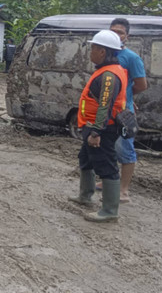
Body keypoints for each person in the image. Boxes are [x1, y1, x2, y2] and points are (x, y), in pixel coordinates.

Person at [69, 30, 128, 223]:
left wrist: (96, 132)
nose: (90, 51)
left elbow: (105, 106)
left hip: (101, 128)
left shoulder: (109, 76)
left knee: (106, 165)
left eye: (93, 47)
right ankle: (85, 196)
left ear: (102, 51)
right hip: (90, 124)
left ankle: (110, 210)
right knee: (85, 159)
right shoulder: (107, 70)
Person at [101, 18, 148, 203]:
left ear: (127, 36)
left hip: (123, 114)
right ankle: (109, 180)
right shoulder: (104, 55)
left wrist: (128, 97)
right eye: (113, 31)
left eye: (120, 32)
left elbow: (141, 85)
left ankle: (124, 190)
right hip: (105, 111)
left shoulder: (132, 58)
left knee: (125, 150)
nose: (116, 35)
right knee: (108, 148)